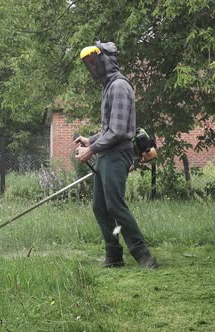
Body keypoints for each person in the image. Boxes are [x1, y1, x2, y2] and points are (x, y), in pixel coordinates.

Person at [74, 41, 158, 269]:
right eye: (88, 65)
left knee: (115, 206)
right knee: (100, 208)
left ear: (106, 60)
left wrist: (90, 150)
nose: (92, 68)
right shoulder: (109, 86)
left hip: (116, 155)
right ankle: (114, 255)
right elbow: (109, 128)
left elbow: (119, 131)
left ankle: (144, 255)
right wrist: (89, 140)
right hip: (106, 154)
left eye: (94, 62)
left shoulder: (119, 86)